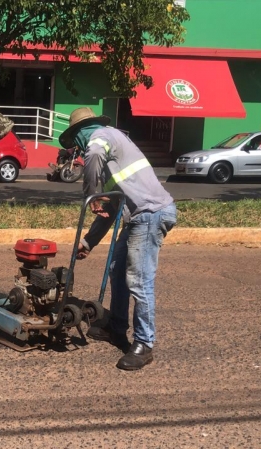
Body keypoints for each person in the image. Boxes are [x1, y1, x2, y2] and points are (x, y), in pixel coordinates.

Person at [59, 107, 177, 371]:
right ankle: (116, 328)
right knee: (117, 269)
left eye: (76, 144)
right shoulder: (111, 158)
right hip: (138, 217)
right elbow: (109, 209)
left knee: (139, 280)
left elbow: (94, 154)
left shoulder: (103, 136)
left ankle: (144, 344)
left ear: (80, 133)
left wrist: (91, 194)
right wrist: (88, 242)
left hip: (151, 214)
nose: (78, 151)